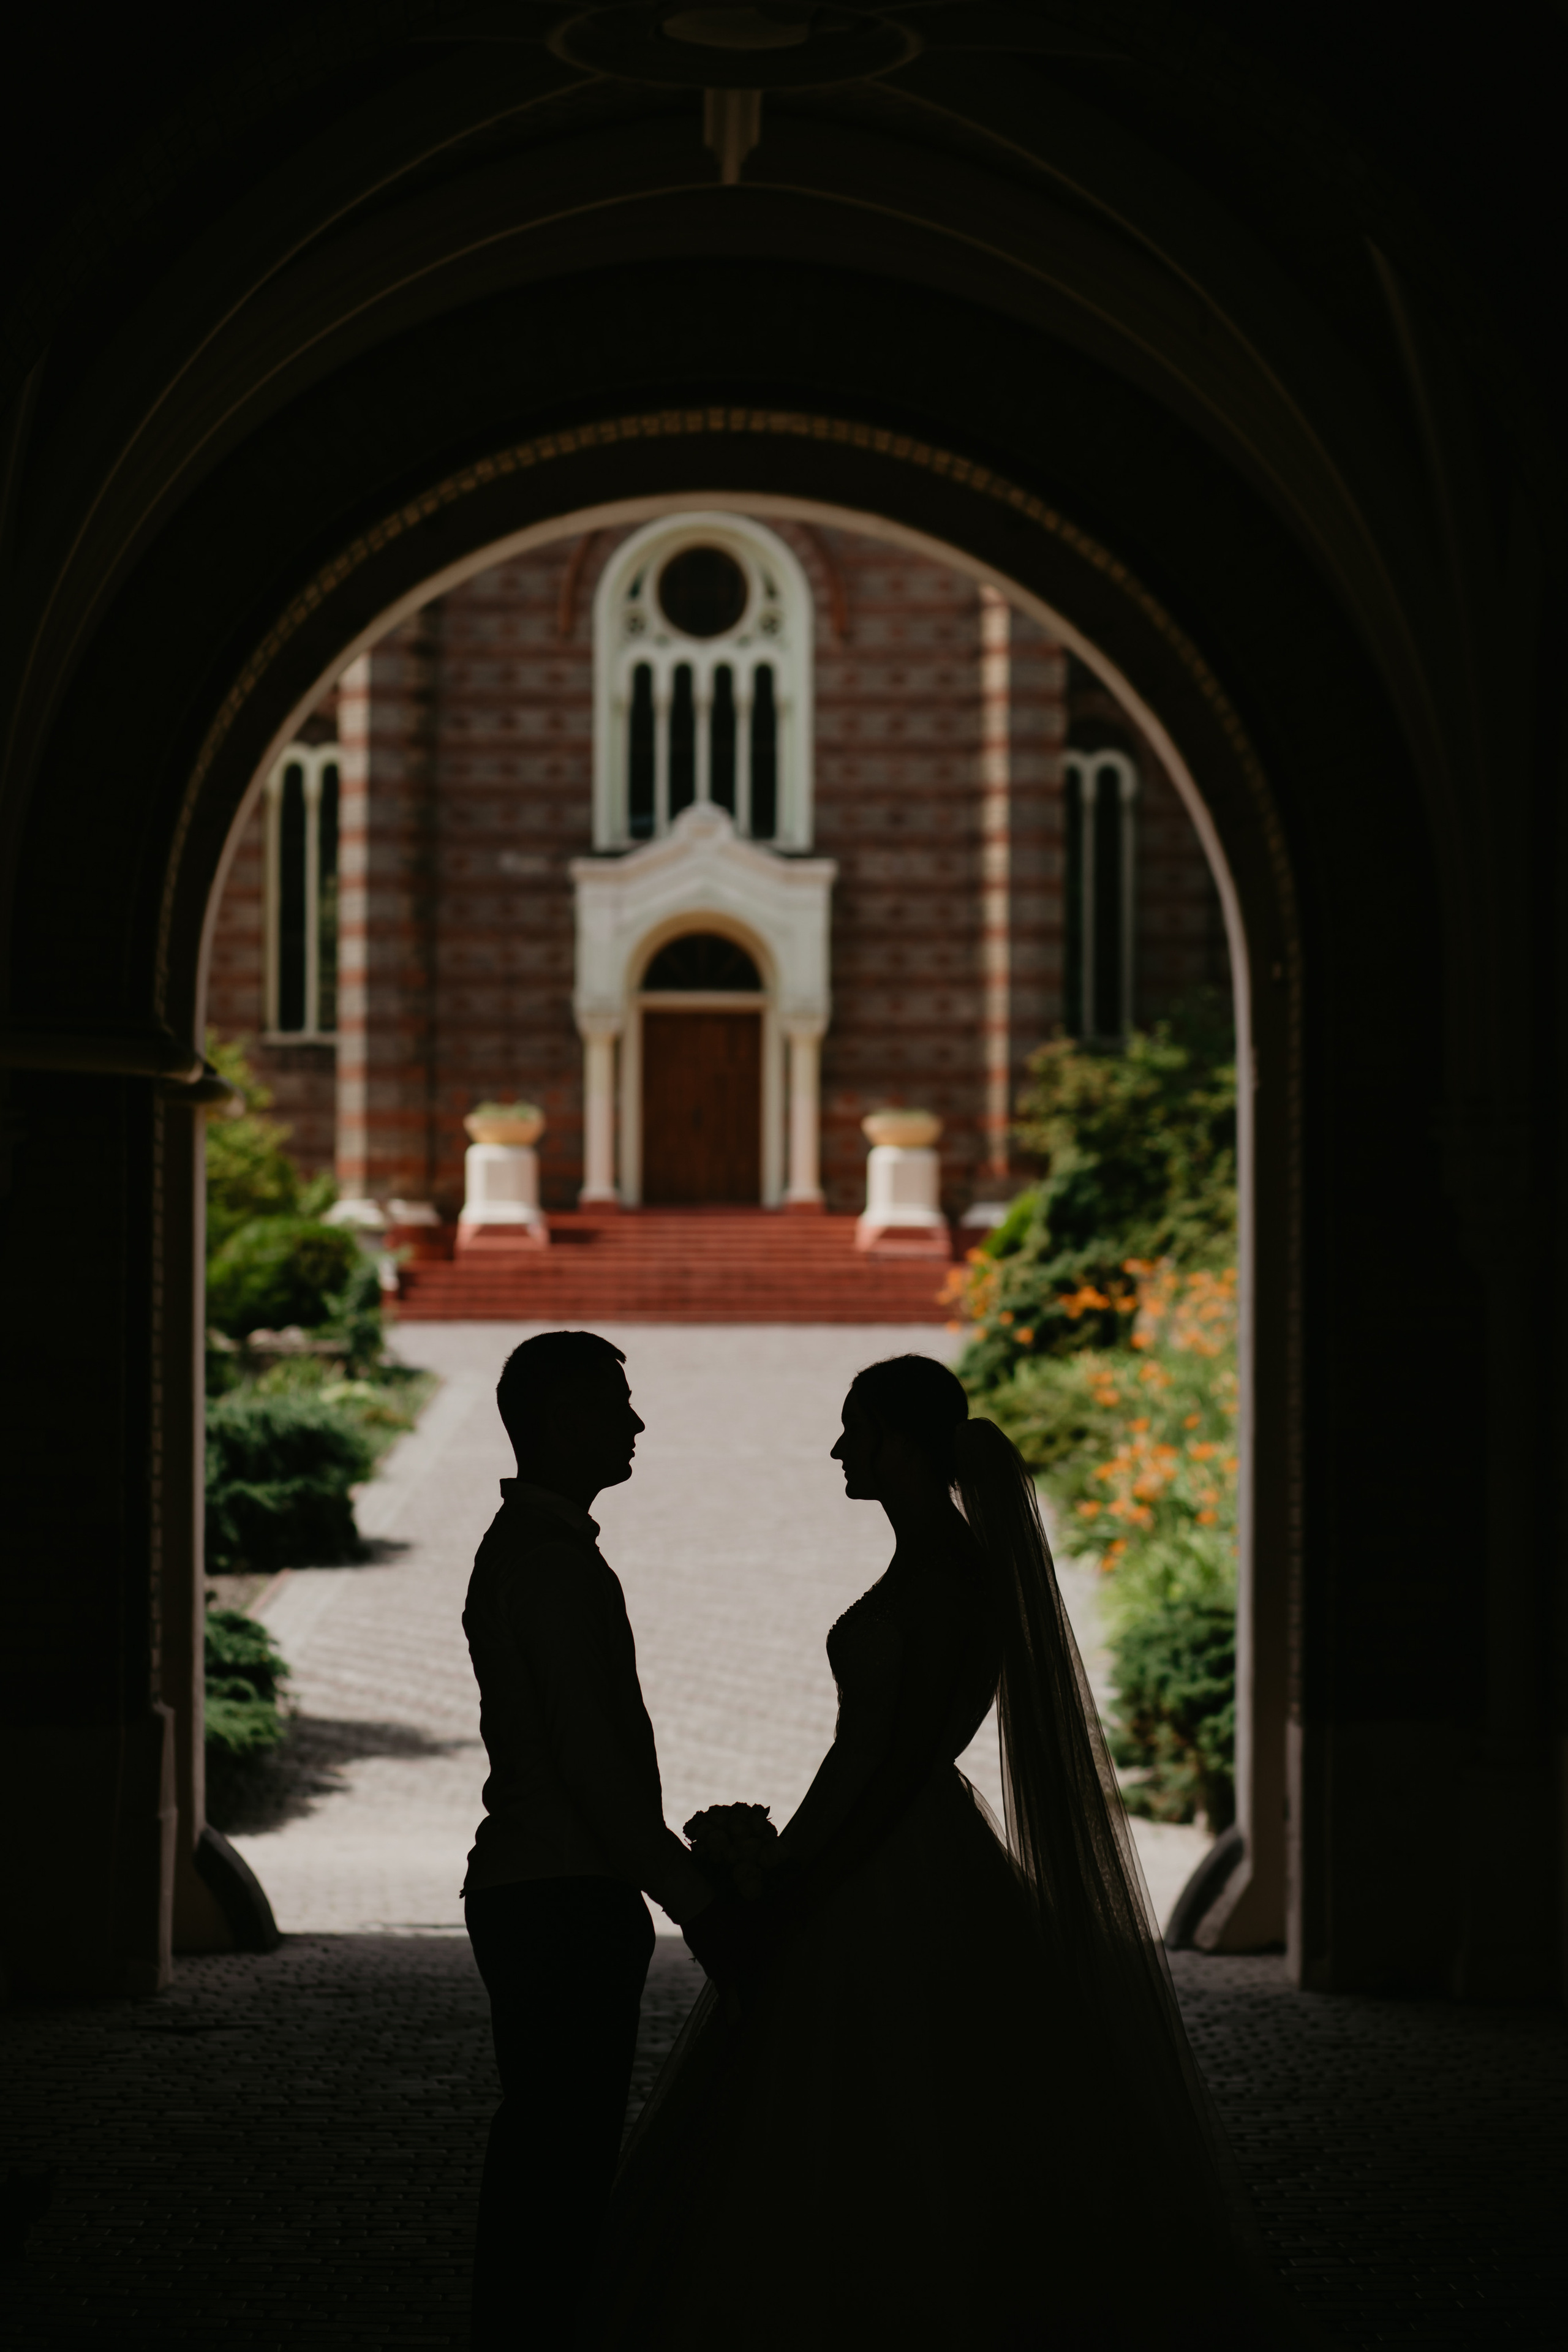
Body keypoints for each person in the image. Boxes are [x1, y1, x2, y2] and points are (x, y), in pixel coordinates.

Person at [593, 1353, 1321, 2351]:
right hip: (892, 1833)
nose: (841, 1448)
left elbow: (892, 1761)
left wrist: (802, 1875)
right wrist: (785, 1854)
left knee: (889, 2099)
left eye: (858, 1428)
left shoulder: (944, 1575)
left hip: (896, 1846)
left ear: (903, 1440)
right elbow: (869, 1754)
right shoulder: (936, 1561)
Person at [461, 1330, 712, 2351]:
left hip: (539, 1884)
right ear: (563, 1422)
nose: (638, 1423)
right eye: (618, 1405)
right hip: (561, 1892)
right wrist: (696, 1897)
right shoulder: (553, 1568)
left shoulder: (532, 1547)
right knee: (560, 2167)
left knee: (546, 2154)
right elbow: (594, 1770)